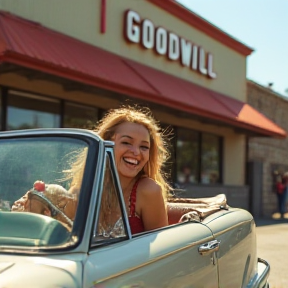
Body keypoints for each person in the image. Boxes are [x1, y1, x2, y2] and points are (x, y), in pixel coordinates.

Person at [94, 105, 170, 234]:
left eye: (144, 147)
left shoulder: (149, 190)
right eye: (126, 143)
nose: (136, 152)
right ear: (106, 144)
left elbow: (162, 249)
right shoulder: (86, 186)